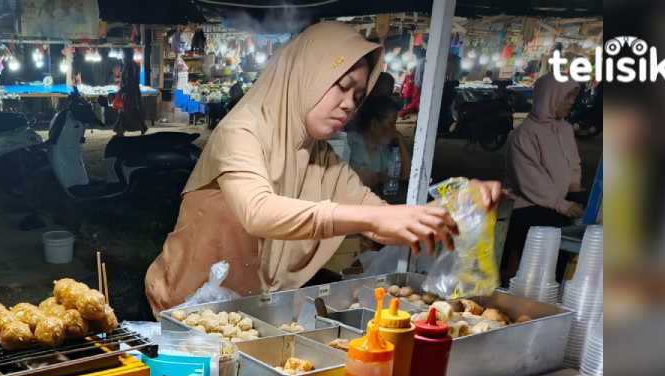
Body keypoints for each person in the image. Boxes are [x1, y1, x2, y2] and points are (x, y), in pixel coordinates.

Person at [144, 22, 502, 317]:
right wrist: (369, 220)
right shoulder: (243, 130)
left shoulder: (320, 156)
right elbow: (258, 211)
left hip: (247, 309)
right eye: (342, 88)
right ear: (306, 75)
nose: (348, 105)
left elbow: (380, 216)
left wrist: (456, 212)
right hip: (186, 306)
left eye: (357, 97)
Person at [502, 74, 585, 283]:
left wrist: (576, 191)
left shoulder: (565, 129)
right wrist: (562, 205)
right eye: (567, 97)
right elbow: (529, 180)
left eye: (573, 97)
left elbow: (574, 164)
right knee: (546, 254)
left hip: (560, 203)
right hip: (529, 206)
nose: (572, 102)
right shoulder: (523, 135)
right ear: (550, 97)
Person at [345, 95, 409, 200]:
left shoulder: (382, 146)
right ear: (374, 124)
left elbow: (406, 174)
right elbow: (361, 181)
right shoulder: (353, 142)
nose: (394, 129)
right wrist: (382, 177)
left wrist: (400, 138)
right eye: (391, 123)